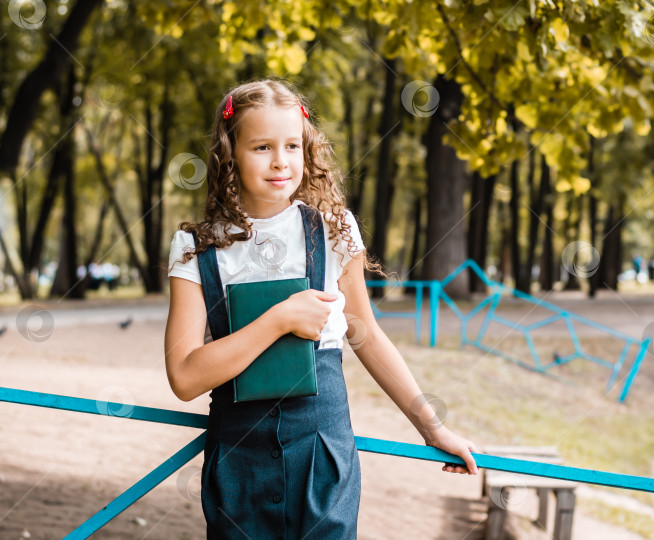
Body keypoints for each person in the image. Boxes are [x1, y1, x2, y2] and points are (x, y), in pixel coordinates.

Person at [163, 79, 478, 539]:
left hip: (323, 455)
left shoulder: (333, 229)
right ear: (229, 153)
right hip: (238, 463)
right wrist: (279, 320)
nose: (280, 162)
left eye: (292, 145)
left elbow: (366, 334)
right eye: (262, 147)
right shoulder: (195, 248)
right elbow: (185, 377)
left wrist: (432, 428)